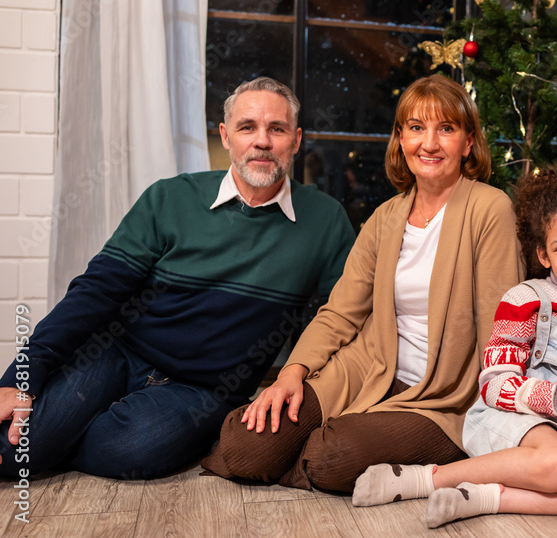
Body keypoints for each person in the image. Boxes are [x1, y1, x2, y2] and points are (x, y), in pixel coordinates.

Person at [0, 76, 355, 479]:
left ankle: (71, 439)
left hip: (203, 390)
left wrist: (299, 377)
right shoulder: (169, 198)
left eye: (277, 129)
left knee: (130, 452)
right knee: (12, 453)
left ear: (295, 139)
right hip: (116, 355)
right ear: (225, 136)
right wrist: (22, 378)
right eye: (247, 127)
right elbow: (95, 291)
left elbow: (341, 317)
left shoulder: (325, 221)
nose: (262, 141)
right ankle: (57, 437)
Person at [201, 74, 522, 492]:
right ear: (400, 139)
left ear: (468, 142)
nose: (429, 143)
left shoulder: (490, 208)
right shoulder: (387, 217)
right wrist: (291, 375)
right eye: (416, 128)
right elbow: (340, 312)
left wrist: (493, 415)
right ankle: (306, 452)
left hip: (443, 396)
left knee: (332, 456)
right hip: (367, 369)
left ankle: (322, 452)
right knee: (249, 445)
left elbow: (501, 326)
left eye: (446, 128)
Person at [349, 163, 557, 528]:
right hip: (512, 420)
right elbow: (493, 384)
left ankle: (488, 498)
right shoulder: (525, 300)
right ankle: (424, 479)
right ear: (544, 256)